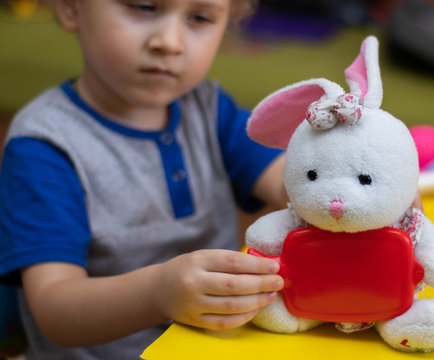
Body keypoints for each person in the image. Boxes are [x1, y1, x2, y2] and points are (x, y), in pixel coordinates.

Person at [0, 0, 288, 358]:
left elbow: (290, 181)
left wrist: (332, 179)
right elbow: (54, 310)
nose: (169, 41)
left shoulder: (211, 109)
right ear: (72, 9)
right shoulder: (45, 146)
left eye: (199, 18)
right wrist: (159, 293)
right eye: (144, 6)